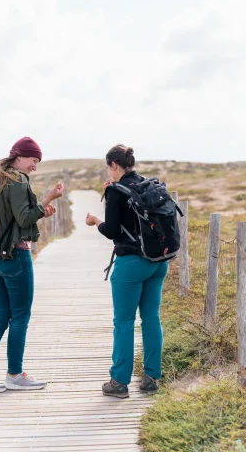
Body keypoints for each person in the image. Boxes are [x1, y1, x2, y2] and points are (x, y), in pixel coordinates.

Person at [0, 137, 64, 393]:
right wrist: (46, 203)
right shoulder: (18, 181)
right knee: (20, 316)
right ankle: (14, 375)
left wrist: (42, 206)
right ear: (21, 156)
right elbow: (24, 218)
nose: (35, 166)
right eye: (34, 160)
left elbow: (12, 217)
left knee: (0, 316)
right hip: (14, 258)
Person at [86, 145, 168, 398]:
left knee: (123, 321)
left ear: (113, 165)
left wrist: (95, 221)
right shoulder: (148, 185)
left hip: (131, 263)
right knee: (151, 318)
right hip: (157, 261)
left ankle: (119, 382)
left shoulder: (116, 191)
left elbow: (111, 230)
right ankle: (151, 377)